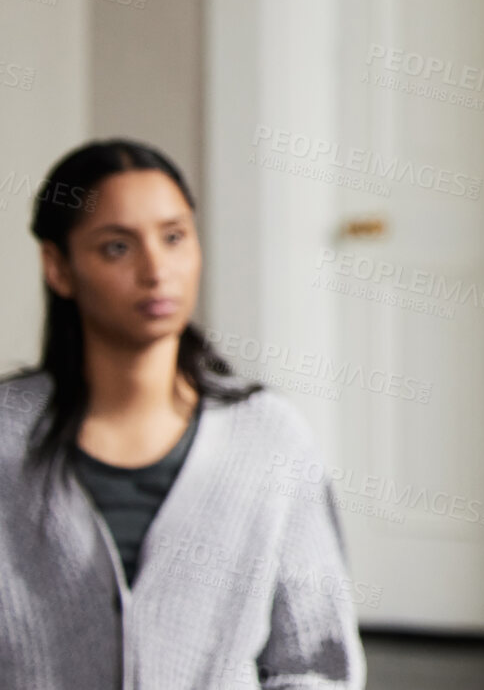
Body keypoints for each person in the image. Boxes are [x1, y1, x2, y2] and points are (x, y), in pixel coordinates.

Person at [0, 140, 367, 689]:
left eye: (174, 237)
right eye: (117, 247)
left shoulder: (270, 438)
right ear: (59, 267)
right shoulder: (7, 436)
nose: (156, 270)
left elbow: (315, 661)